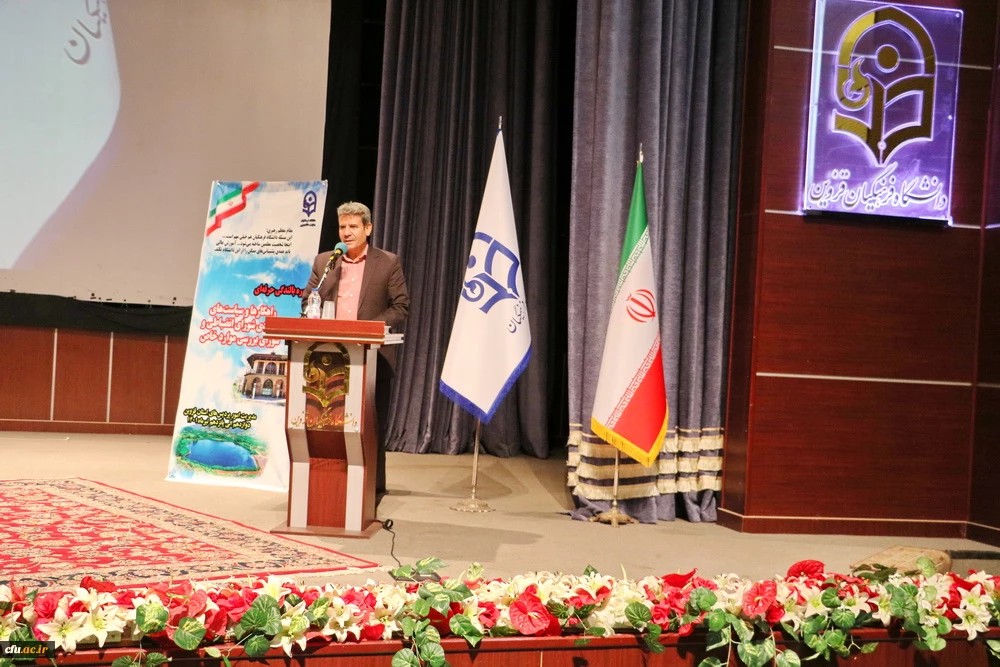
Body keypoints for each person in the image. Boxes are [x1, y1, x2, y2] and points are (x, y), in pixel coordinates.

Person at [302, 202, 409, 499]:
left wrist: (366, 329)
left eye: (353, 226)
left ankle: (372, 488)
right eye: (342, 227)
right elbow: (308, 300)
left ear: (368, 228)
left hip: (372, 357)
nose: (346, 233)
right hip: (328, 358)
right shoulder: (326, 260)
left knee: (371, 425)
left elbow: (401, 306)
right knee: (329, 424)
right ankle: (329, 484)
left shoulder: (387, 262)